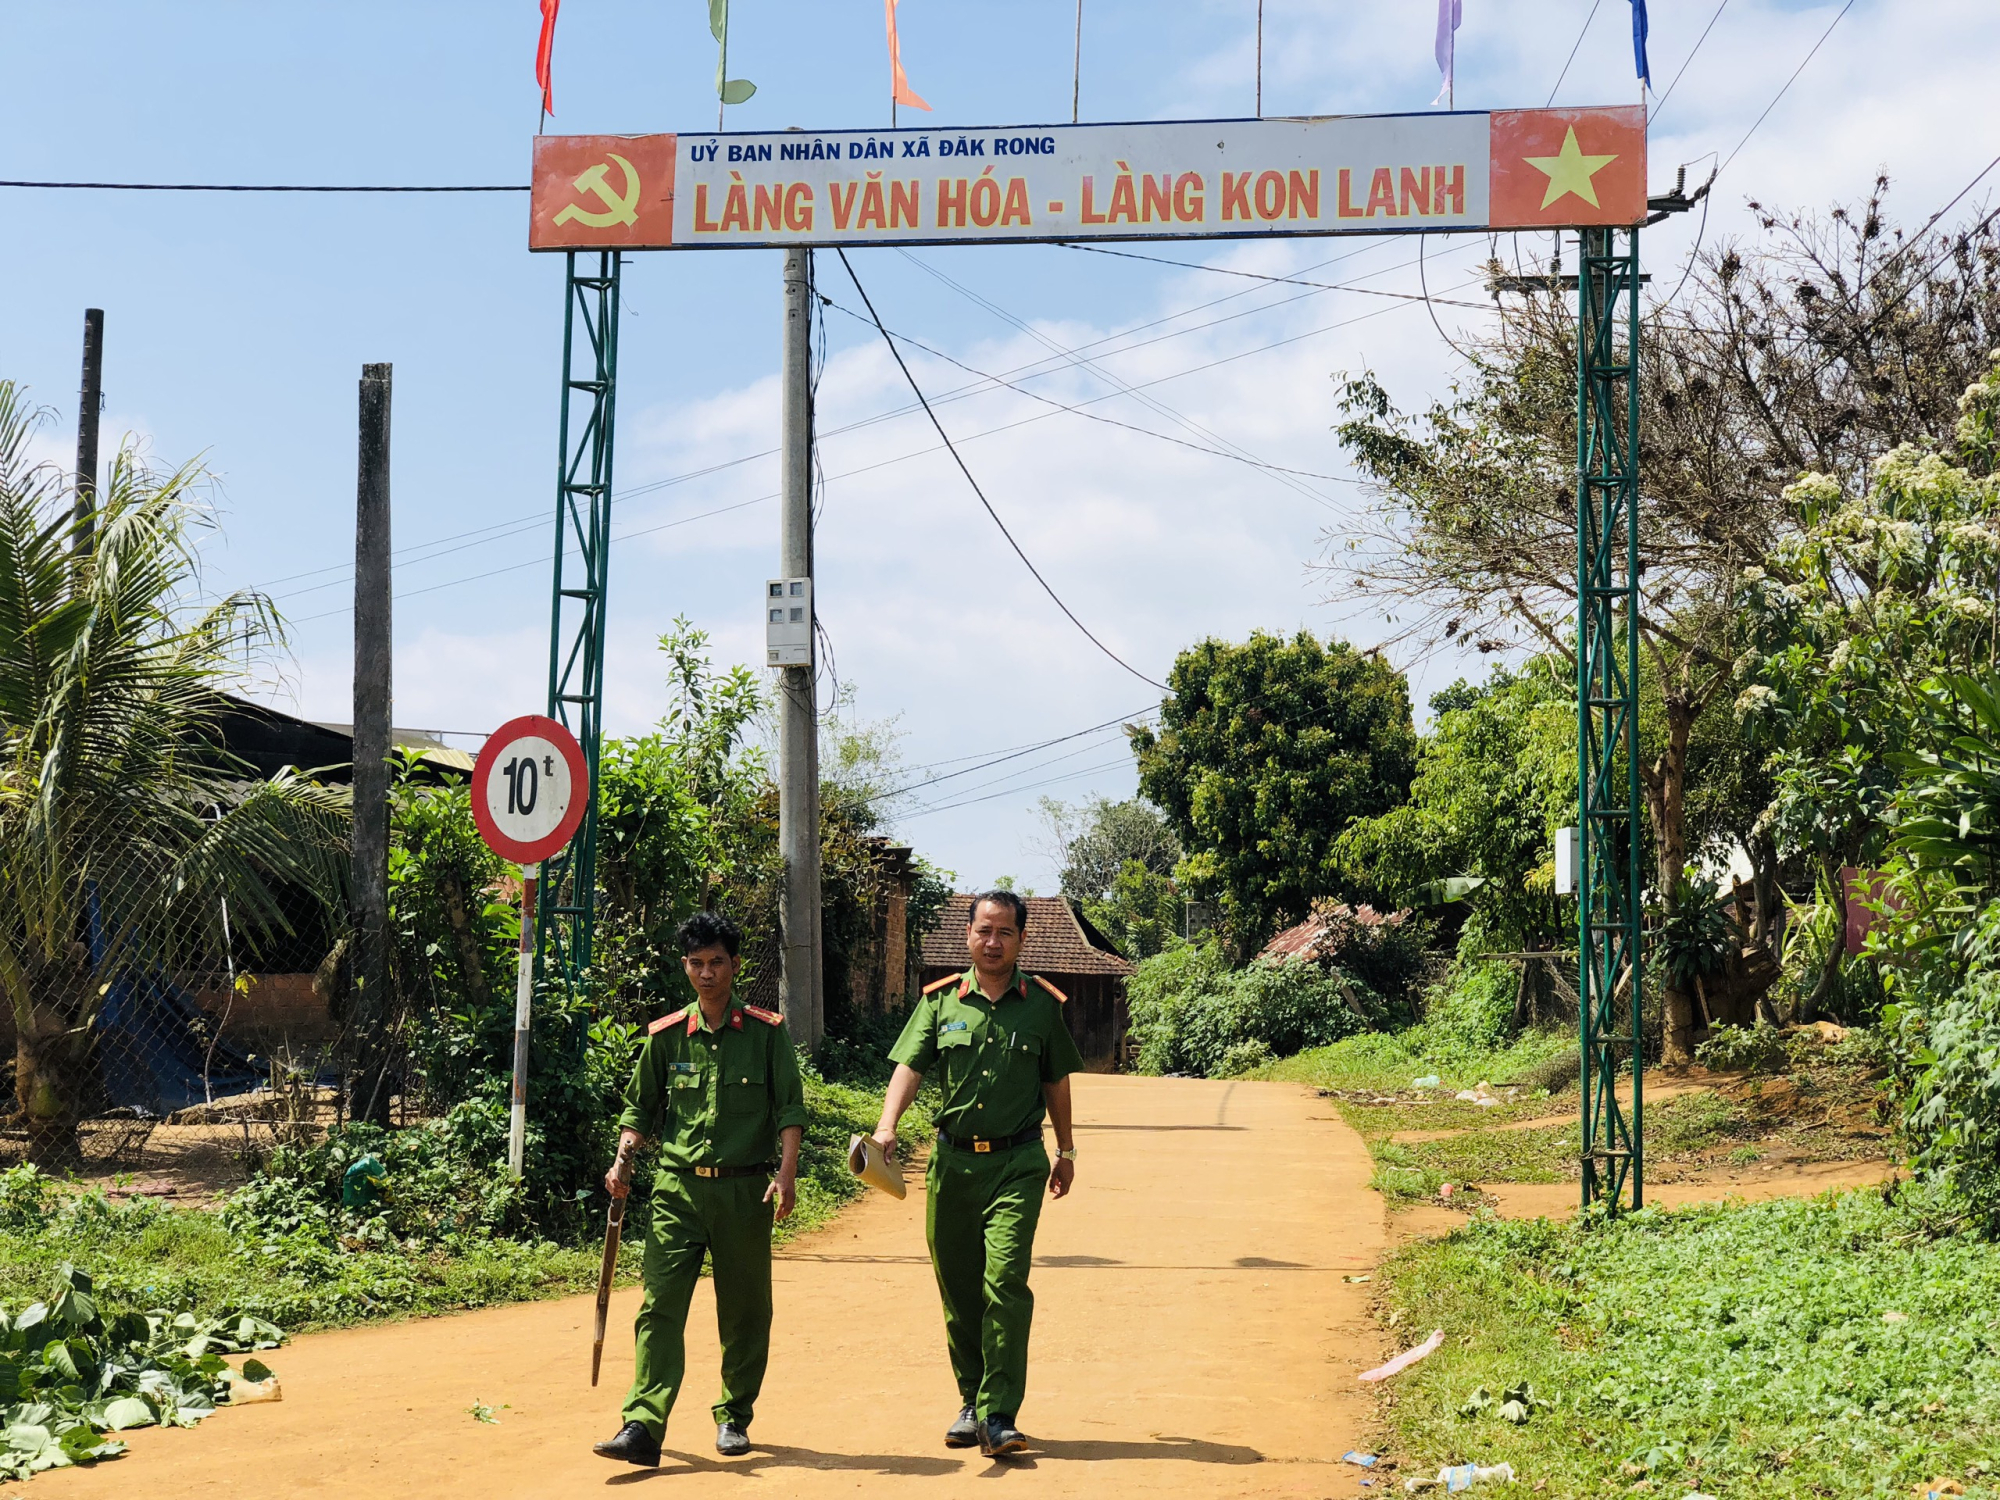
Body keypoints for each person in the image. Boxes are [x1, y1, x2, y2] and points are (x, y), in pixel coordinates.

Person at [870, 889, 1084, 1458]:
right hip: (952, 1165)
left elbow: (1056, 1080)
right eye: (984, 931)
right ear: (968, 935)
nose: (993, 942)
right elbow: (909, 1066)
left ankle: (999, 1413)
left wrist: (1066, 1149)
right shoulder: (941, 1002)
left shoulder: (1041, 1004)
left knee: (1005, 1283)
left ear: (1021, 939)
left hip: (1017, 1162)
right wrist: (887, 1126)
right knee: (960, 1290)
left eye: (1005, 933)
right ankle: (971, 1403)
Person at [593, 911, 807, 1468]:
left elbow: (789, 1109)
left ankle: (734, 1414)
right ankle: (642, 1423)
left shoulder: (766, 1032)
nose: (707, 973)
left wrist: (785, 1174)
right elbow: (638, 1110)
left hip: (743, 1195)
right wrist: (624, 1157)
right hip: (677, 1193)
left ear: (734, 966)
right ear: (685, 967)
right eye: (696, 964)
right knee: (659, 1306)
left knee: (744, 1311)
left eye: (717, 963)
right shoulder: (666, 1038)